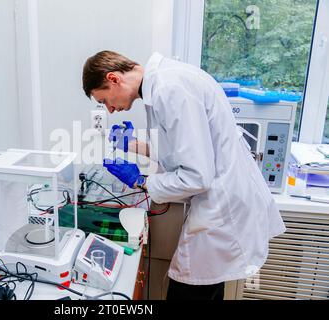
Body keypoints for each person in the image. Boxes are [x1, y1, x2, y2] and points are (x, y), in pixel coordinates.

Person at [82, 51, 286, 300]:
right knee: (206, 288)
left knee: (188, 290)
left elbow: (196, 176)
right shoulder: (164, 82)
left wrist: (141, 181)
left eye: (104, 100)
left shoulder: (170, 90)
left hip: (222, 209)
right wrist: (133, 144)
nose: (110, 110)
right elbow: (181, 148)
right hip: (222, 202)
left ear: (113, 78)